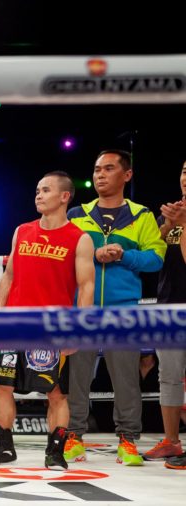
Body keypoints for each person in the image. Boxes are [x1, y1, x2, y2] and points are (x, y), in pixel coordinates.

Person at [0, 171, 95, 470]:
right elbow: (9, 277)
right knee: (1, 386)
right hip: (14, 323)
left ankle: (55, 451)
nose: (38, 195)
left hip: (53, 328)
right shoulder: (22, 231)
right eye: (37, 190)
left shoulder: (79, 239)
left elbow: (87, 287)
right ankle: (3, 447)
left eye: (46, 190)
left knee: (56, 393)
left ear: (65, 196)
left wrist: (77, 332)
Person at [65, 149, 166, 466]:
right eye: (96, 169)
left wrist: (124, 255)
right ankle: (73, 438)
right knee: (76, 378)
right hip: (82, 307)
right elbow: (64, 256)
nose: (100, 175)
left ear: (127, 175)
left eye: (108, 169)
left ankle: (128, 441)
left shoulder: (143, 215)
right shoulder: (76, 214)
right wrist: (93, 255)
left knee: (126, 380)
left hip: (124, 309)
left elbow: (156, 258)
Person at [142, 161, 186, 469]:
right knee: (168, 377)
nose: (185, 177)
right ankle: (172, 441)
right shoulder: (172, 213)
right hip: (168, 306)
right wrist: (167, 227)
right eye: (183, 170)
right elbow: (153, 258)